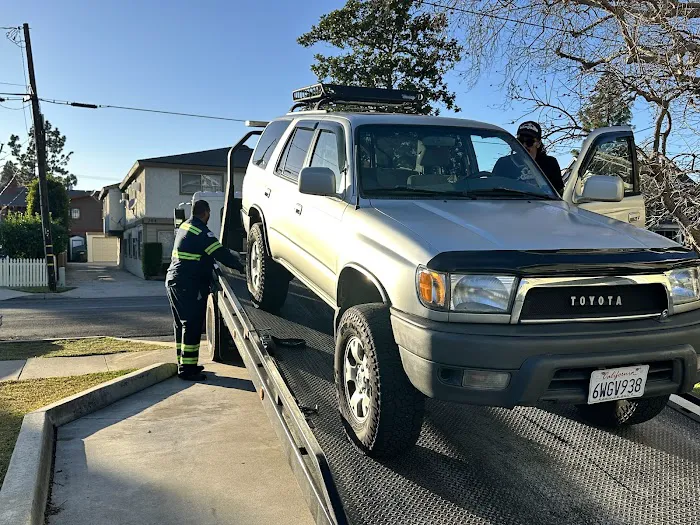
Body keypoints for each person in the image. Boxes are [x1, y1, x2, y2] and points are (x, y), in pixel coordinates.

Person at [165, 199, 244, 380]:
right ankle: (187, 370)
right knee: (191, 324)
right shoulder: (201, 230)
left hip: (175, 280)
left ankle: (183, 364)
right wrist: (239, 266)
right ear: (206, 213)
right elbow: (220, 253)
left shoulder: (186, 226)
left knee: (181, 325)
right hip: (186, 283)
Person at [515, 121, 565, 194]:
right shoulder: (504, 163)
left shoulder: (550, 163)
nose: (524, 145)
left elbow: (558, 193)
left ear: (538, 143)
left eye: (529, 142)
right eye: (520, 141)